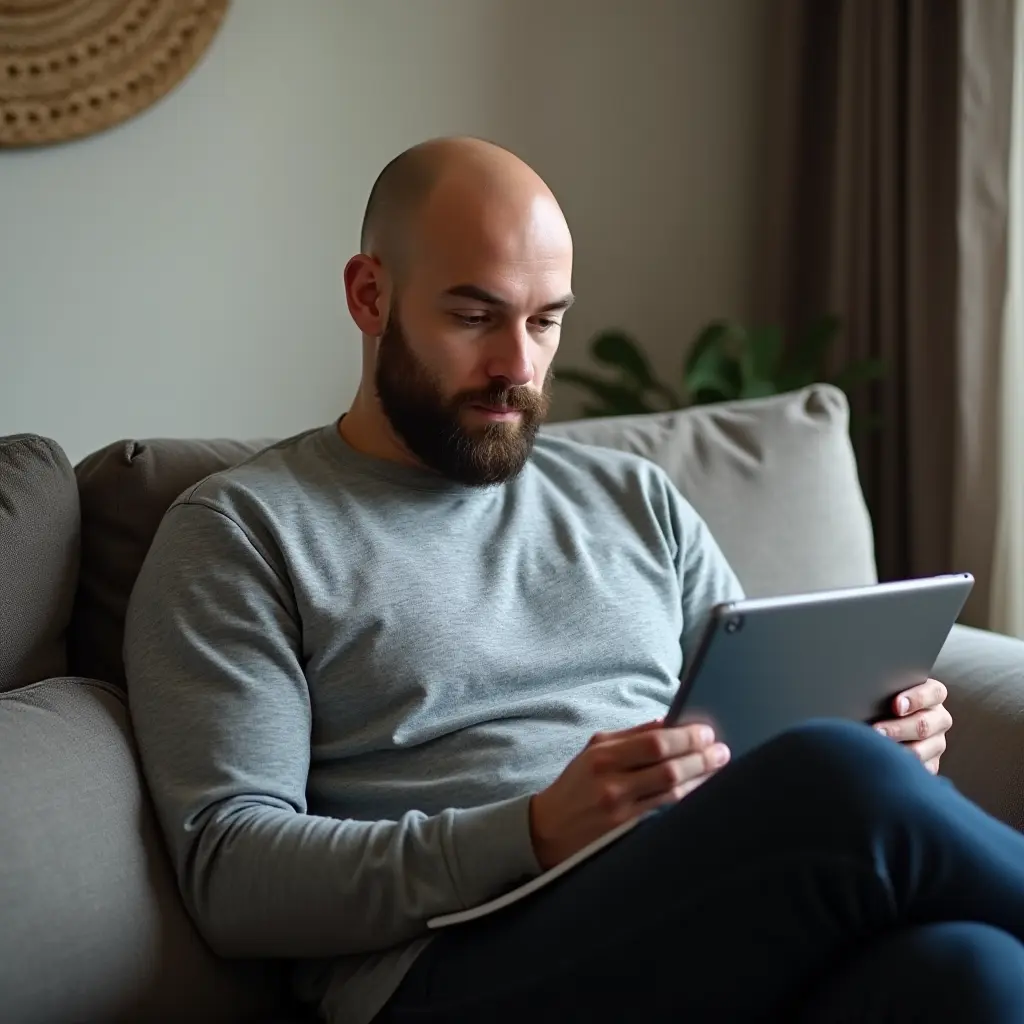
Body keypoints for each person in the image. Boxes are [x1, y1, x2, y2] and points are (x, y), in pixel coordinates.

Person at [124, 137, 1024, 1024]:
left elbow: (759, 736)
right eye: (475, 317)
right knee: (840, 781)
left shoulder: (636, 498)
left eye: (545, 320)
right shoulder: (242, 531)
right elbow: (230, 876)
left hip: (690, 911)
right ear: (370, 295)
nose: (518, 365)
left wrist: (886, 735)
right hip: (449, 964)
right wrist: (532, 830)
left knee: (967, 972)